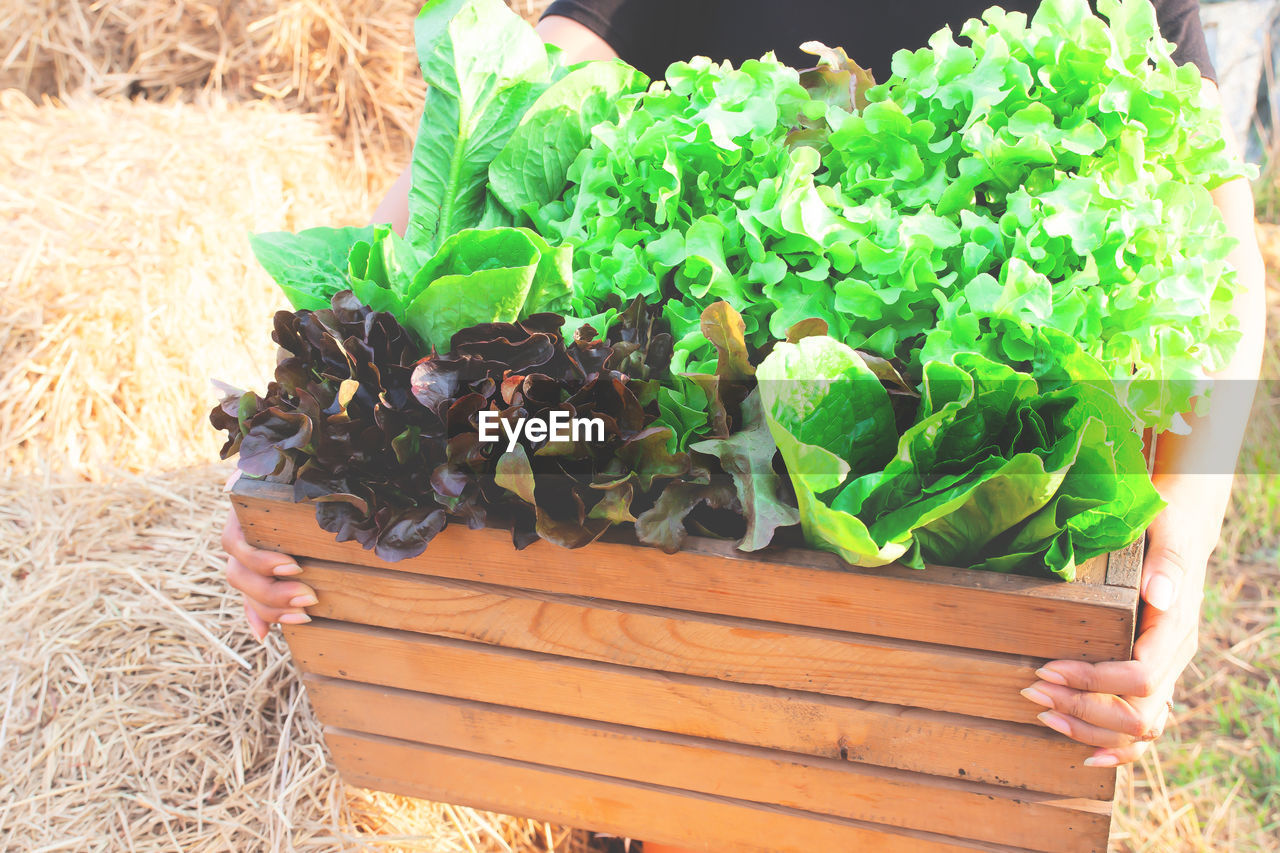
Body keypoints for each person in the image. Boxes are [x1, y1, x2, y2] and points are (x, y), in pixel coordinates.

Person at [222, 2, 1266, 850]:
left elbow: (1219, 270)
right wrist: (312, 435)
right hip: (685, 674)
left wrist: (1176, 551)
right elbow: (462, 150)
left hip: (953, 698)